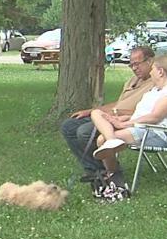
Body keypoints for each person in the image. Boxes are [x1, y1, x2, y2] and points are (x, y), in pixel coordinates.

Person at [60, 46, 157, 181]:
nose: (134, 68)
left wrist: (118, 115)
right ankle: (94, 169)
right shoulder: (132, 81)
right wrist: (90, 111)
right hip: (109, 116)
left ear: (150, 61)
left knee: (84, 132)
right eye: (131, 65)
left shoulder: (158, 81)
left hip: (125, 121)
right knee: (69, 126)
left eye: (137, 64)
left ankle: (105, 171)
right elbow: (119, 103)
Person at [89, 54, 167, 179]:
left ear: (160, 72)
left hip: (156, 132)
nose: (150, 73)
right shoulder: (154, 91)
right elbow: (143, 114)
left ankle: (113, 176)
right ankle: (112, 144)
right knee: (97, 113)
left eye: (152, 69)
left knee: (102, 140)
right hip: (141, 128)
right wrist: (124, 119)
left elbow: (155, 117)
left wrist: (124, 124)